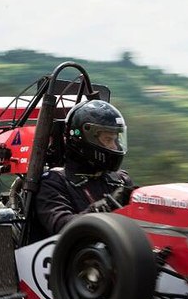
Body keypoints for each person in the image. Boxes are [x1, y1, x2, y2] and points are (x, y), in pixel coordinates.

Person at [33, 99, 134, 239]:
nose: (115, 147)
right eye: (108, 140)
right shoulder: (54, 183)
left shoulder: (121, 181)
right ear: (83, 139)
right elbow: (62, 227)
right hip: (80, 257)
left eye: (115, 140)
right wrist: (108, 205)